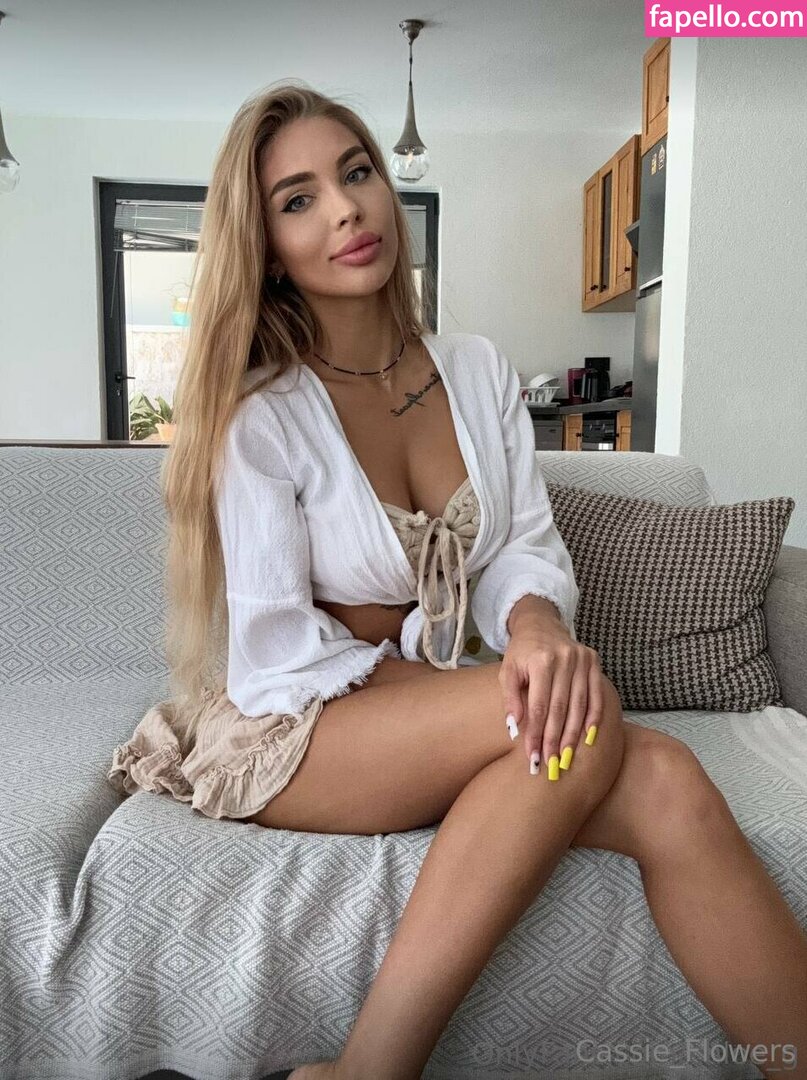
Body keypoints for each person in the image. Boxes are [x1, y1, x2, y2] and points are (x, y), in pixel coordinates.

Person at [107, 81, 807, 1080]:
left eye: (355, 173)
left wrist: (535, 630)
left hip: (430, 714)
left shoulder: (476, 371)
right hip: (293, 728)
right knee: (581, 715)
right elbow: (276, 656)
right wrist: (470, 697)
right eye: (298, 199)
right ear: (265, 246)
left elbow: (522, 545)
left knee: (668, 782)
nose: (345, 209)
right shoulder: (263, 417)